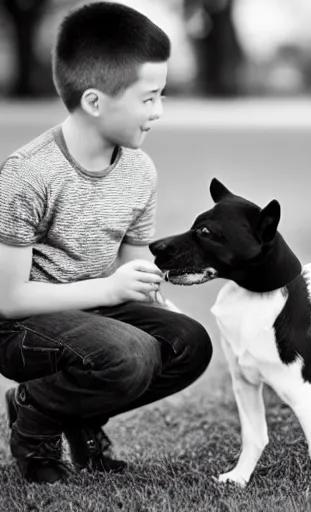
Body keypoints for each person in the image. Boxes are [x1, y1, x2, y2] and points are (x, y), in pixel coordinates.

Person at [0, 2, 212, 484]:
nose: (159, 112)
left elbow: (136, 275)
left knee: (189, 344)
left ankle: (80, 417)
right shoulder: (27, 173)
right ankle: (35, 419)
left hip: (96, 315)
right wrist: (109, 291)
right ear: (95, 102)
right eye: (149, 98)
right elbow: (8, 299)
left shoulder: (139, 170)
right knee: (129, 354)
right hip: (20, 328)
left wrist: (162, 306)